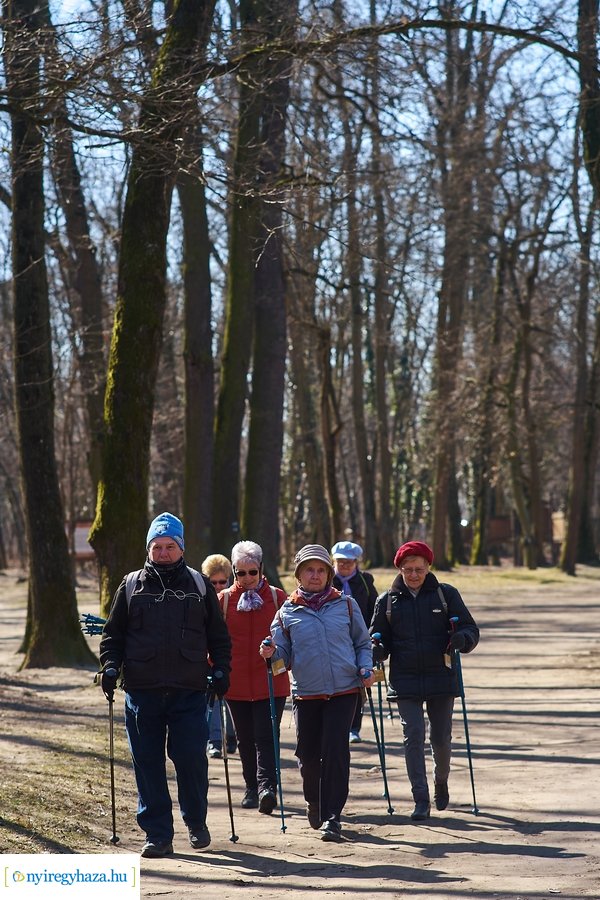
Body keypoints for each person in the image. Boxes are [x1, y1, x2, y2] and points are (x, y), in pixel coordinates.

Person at [99, 512, 232, 858]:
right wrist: (110, 667)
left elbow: (219, 637)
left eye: (170, 546)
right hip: (142, 691)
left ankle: (196, 822)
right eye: (157, 546)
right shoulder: (131, 585)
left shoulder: (199, 585)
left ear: (181, 548)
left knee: (191, 759)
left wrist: (222, 670)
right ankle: (158, 834)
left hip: (189, 690)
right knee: (147, 763)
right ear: (148, 549)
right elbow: (113, 636)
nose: (163, 552)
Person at [260, 544, 375, 843]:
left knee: (336, 751)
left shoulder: (346, 605)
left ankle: (333, 816)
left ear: (329, 574)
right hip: (307, 694)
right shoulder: (286, 612)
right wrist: (271, 654)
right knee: (308, 756)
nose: (315, 575)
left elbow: (363, 643)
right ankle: (314, 800)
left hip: (344, 689)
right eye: (309, 570)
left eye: (321, 570)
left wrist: (365, 667)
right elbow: (282, 657)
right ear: (299, 575)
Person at [369, 540, 479, 821]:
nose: (414, 575)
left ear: (429, 567)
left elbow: (470, 628)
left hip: (441, 676)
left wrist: (462, 638)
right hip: (404, 679)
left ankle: (441, 780)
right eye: (408, 570)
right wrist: (376, 650)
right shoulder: (387, 601)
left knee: (441, 738)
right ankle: (420, 798)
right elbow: (376, 637)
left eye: (419, 569)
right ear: (400, 569)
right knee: (413, 736)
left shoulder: (446, 594)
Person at [218, 540, 289, 815]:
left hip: (271, 680)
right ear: (234, 571)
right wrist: (215, 668)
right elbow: (214, 639)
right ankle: (250, 786)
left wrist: (279, 655)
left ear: (261, 569)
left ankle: (267, 788)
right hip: (236, 681)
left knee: (267, 734)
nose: (247, 578)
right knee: (245, 737)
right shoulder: (224, 600)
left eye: (252, 572)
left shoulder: (278, 598)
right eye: (240, 573)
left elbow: (292, 636)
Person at [331, 540, 378, 743]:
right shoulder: (327, 580)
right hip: (334, 640)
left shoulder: (365, 581)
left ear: (356, 562)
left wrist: (372, 634)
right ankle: (336, 725)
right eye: (340, 561)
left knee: (358, 682)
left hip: (359, 639)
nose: (344, 565)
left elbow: (375, 609)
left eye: (349, 562)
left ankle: (354, 727)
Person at [200, 554, 238, 759]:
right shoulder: (202, 600)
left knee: (232, 697)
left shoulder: (234, 599)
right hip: (208, 656)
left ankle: (232, 736)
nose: (217, 586)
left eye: (222, 582)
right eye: (212, 582)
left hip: (232, 656)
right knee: (212, 699)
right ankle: (214, 741)